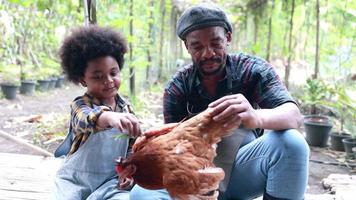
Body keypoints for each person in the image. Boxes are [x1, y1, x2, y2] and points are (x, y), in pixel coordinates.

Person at [130, 3, 309, 200]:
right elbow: (172, 153)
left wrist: (255, 117)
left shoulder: (252, 70)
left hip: (240, 173)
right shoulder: (178, 87)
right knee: (140, 194)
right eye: (197, 46)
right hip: (194, 176)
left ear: (228, 37)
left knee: (292, 143)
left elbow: (293, 115)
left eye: (216, 42)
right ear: (187, 47)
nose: (208, 53)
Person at [52, 25, 141, 200]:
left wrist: (128, 174)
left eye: (113, 73)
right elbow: (87, 118)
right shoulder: (80, 105)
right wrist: (109, 117)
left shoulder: (127, 110)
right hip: (75, 182)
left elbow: (131, 151)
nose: (108, 81)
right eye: (98, 76)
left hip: (110, 183)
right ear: (82, 79)